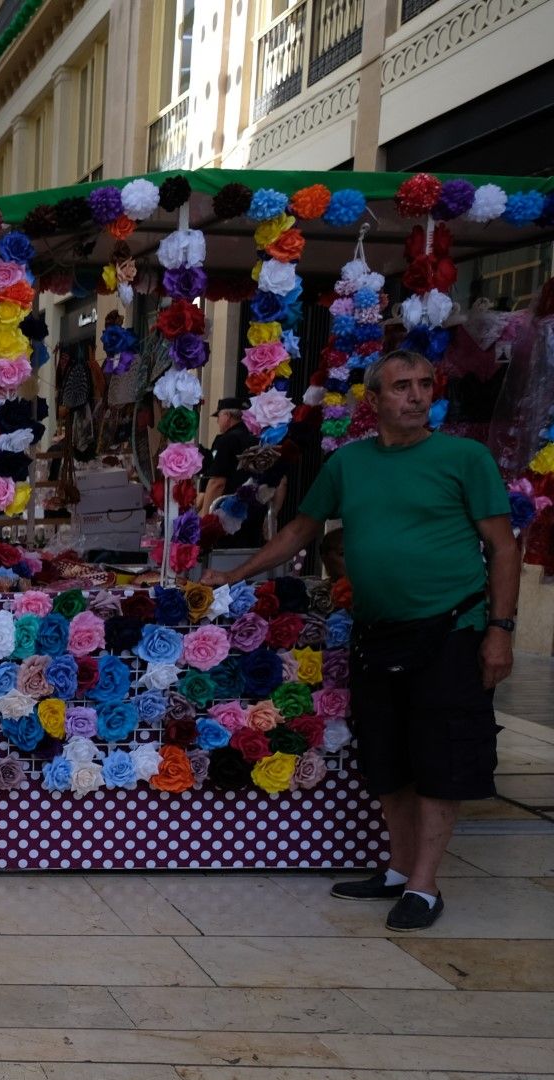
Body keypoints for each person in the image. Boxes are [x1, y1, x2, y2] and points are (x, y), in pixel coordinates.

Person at [203, 348, 515, 932]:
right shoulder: (349, 464)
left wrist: (500, 630)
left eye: (425, 384)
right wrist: (234, 574)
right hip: (378, 631)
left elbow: (503, 547)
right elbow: (301, 527)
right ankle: (398, 870)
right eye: (402, 386)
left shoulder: (464, 458)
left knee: (440, 755)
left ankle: (424, 886)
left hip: (453, 627)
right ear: (374, 400)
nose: (416, 396)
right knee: (387, 756)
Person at [200, 396, 282, 552]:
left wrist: (205, 520)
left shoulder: (226, 440)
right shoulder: (260, 440)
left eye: (219, 416)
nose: (217, 421)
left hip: (228, 516)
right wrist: (272, 514)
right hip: (256, 512)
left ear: (228, 416)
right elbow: (280, 481)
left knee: (224, 562)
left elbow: (217, 482)